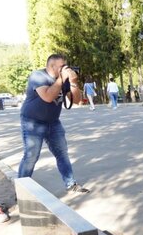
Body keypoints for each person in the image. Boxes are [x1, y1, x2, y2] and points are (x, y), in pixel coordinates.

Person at [18, 54, 90, 193]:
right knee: (31, 156)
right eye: (62, 66)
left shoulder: (64, 79)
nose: (66, 68)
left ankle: (71, 184)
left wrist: (73, 82)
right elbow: (48, 97)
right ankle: (21, 190)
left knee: (62, 153)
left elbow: (76, 100)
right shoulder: (38, 76)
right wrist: (61, 79)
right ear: (52, 66)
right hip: (33, 122)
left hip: (53, 122)